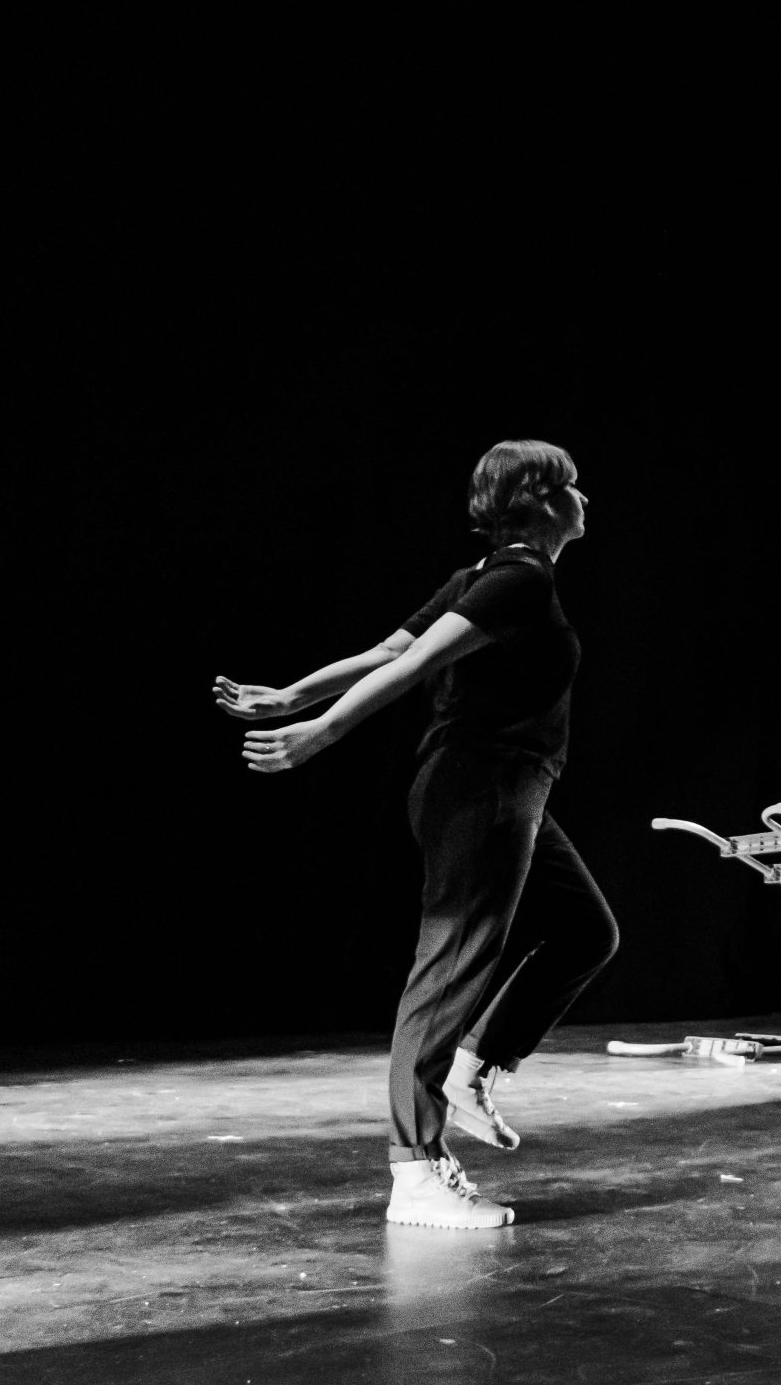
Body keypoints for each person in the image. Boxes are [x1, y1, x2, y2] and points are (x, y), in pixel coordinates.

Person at [216, 439, 619, 1228]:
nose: (586, 498)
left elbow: (385, 649)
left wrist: (288, 696)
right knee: (451, 963)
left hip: (507, 789)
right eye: (572, 485)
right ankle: (415, 1166)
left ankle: (475, 1067)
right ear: (537, 500)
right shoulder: (516, 581)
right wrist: (318, 732)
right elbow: (408, 666)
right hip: (484, 789)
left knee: (585, 930)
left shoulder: (483, 579)